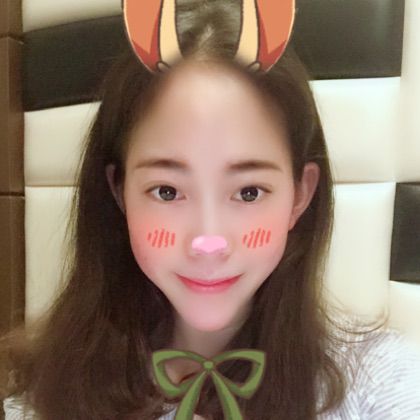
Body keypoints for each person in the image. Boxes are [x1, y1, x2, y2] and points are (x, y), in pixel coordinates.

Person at [2, 1, 420, 419]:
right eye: (167, 191)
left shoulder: (381, 381)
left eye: (249, 192)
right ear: (119, 191)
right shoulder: (44, 394)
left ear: (299, 196)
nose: (207, 241)